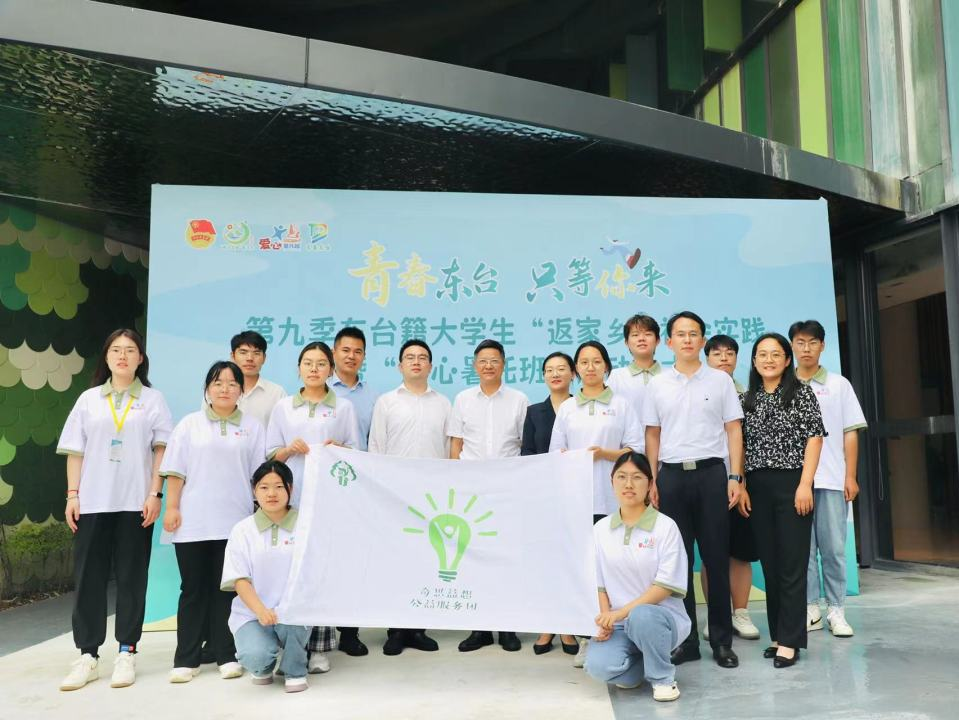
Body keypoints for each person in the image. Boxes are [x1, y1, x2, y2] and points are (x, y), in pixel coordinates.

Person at [56, 329, 173, 691]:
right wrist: (72, 495)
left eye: (130, 350)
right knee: (88, 578)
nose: (123, 356)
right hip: (93, 503)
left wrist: (155, 493)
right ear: (106, 357)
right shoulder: (89, 400)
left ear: (141, 358)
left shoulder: (153, 400)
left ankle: (127, 651)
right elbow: (75, 451)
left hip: (135, 503)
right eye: (116, 350)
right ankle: (88, 655)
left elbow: (161, 450)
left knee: (132, 577)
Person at [643, 311, 744, 669]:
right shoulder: (657, 384)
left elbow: (733, 430)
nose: (687, 340)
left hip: (712, 474)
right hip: (671, 477)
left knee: (716, 559)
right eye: (681, 334)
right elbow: (652, 433)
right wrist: (652, 479)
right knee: (677, 563)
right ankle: (686, 641)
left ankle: (721, 641)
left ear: (702, 341)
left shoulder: (720, 381)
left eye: (694, 334)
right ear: (669, 342)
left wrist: (735, 477)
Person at [161, 360, 266, 683]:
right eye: (218, 383)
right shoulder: (189, 425)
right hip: (192, 522)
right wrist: (172, 507)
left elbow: (258, 477)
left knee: (226, 592)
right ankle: (186, 658)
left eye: (232, 384)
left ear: (241, 390)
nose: (225, 389)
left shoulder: (252, 427)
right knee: (192, 590)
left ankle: (226, 655)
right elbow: (176, 471)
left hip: (235, 522)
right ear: (207, 389)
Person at [266, 341, 362, 665]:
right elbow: (270, 454)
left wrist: (338, 449)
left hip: (327, 500)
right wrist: (288, 449)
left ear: (330, 370)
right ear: (299, 368)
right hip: (289, 500)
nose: (314, 369)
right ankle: (288, 645)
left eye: (321, 364)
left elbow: (356, 453)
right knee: (289, 570)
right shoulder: (283, 408)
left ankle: (319, 647)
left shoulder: (343, 408)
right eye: (308, 363)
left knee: (321, 570)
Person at [551, 340, 643, 668]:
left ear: (606, 366)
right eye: (584, 362)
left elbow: (635, 449)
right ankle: (588, 637)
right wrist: (569, 458)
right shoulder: (568, 408)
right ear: (577, 369)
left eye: (596, 361)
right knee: (584, 571)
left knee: (613, 567)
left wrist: (605, 454)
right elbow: (555, 454)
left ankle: (619, 631)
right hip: (578, 500)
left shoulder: (622, 404)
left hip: (615, 500)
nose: (590, 367)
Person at [738, 333, 824, 668]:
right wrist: (742, 484)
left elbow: (814, 439)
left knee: (791, 564)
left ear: (787, 360)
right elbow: (740, 446)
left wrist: (805, 484)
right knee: (771, 565)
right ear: (754, 361)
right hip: (757, 487)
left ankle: (791, 641)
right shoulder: (747, 399)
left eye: (776, 354)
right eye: (762, 354)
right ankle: (778, 636)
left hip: (793, 484)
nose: (769, 360)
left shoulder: (801, 393)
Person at [584, 451, 688, 703]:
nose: (628, 484)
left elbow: (663, 588)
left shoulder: (666, 527)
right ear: (612, 481)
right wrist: (605, 620)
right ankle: (646, 662)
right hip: (619, 623)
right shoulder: (600, 530)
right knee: (597, 667)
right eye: (621, 477)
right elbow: (599, 584)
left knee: (642, 616)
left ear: (650, 484)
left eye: (637, 477)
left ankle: (663, 679)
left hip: (660, 619)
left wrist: (620, 613)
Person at [369, 339, 450, 656]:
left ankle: (418, 628)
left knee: (425, 560)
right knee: (396, 562)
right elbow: (376, 448)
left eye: (422, 357)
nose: (416, 361)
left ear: (430, 365)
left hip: (431, 496)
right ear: (399, 365)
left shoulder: (443, 403)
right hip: (394, 494)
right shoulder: (387, 402)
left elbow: (449, 450)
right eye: (410, 357)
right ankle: (395, 630)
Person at [449, 339, 529, 653]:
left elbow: (524, 445)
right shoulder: (462, 399)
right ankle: (479, 628)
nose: (488, 366)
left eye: (494, 360)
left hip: (507, 490)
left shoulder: (519, 400)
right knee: (474, 558)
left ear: (503, 364)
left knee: (506, 557)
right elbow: (456, 445)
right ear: (474, 365)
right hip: (471, 491)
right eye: (483, 360)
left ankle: (507, 626)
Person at [790, 320, 867, 637]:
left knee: (833, 549)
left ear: (822, 346)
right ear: (792, 346)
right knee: (803, 551)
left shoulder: (839, 385)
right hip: (795, 483)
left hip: (832, 480)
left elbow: (850, 432)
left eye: (812, 342)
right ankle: (810, 609)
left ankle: (836, 610)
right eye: (800, 342)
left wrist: (851, 475)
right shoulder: (784, 384)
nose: (806, 348)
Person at [221, 460, 312, 693]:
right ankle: (263, 663)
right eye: (264, 487)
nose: (271, 493)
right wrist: (261, 611)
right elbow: (239, 579)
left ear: (290, 489)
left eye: (279, 486)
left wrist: (290, 606)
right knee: (256, 658)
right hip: (253, 613)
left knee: (293, 623)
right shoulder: (242, 530)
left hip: (293, 611)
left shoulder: (306, 525)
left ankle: (295, 670)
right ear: (254, 490)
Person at [700, 335, 760, 641]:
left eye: (730, 353)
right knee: (712, 554)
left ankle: (741, 613)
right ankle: (717, 615)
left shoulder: (748, 396)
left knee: (740, 552)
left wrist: (742, 482)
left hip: (741, 485)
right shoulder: (698, 392)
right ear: (706, 358)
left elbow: (751, 444)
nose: (724, 358)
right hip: (707, 482)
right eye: (717, 353)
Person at [520, 351, 578, 656]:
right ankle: (547, 624)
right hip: (543, 496)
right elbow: (526, 453)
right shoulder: (534, 412)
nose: (555, 374)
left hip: (578, 495)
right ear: (543, 376)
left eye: (561, 369)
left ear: (573, 374)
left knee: (572, 560)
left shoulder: (582, 408)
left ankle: (568, 625)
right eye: (549, 370)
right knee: (546, 561)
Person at [607, 314, 662, 443]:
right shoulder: (616, 377)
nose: (641, 339)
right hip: (628, 449)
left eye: (648, 334)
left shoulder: (670, 375)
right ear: (626, 342)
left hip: (665, 449)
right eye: (635, 335)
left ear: (657, 340)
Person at [226, 330, 287, 429]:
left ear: (264, 358)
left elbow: (284, 430)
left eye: (256, 353)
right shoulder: (217, 390)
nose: (250, 358)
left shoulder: (277, 393)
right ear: (233, 356)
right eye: (243, 352)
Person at [330, 326, 376, 451]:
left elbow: (375, 441)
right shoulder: (320, 390)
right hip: (326, 461)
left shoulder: (373, 397)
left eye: (358, 352)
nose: (351, 356)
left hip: (362, 462)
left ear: (364, 356)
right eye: (346, 350)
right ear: (333, 352)